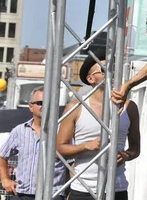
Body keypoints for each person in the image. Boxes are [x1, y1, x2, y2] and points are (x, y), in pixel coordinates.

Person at [57, 49, 141, 199]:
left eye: (114, 68)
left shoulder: (130, 107)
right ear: (90, 79)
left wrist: (126, 155)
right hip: (83, 188)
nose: (112, 73)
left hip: (117, 188)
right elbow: (59, 148)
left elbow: (136, 148)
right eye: (104, 70)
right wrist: (85, 146)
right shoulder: (76, 107)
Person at [0, 86, 67, 200]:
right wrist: (5, 179)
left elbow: (72, 162)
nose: (45, 106)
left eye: (49, 102)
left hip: (53, 194)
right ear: (30, 107)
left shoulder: (62, 131)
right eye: (40, 103)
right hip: (23, 194)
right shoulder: (20, 130)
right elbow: (1, 155)